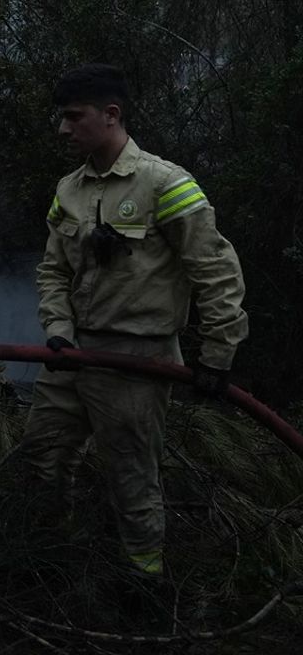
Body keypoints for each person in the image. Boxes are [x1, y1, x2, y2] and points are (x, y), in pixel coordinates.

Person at [21, 64, 248, 575]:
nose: (62, 129)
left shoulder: (166, 184)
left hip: (136, 363)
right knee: (42, 456)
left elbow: (216, 273)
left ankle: (143, 583)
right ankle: (52, 564)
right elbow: (52, 271)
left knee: (130, 479)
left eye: (73, 117)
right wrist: (57, 330)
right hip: (72, 357)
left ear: (111, 115)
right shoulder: (68, 190)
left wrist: (217, 355)